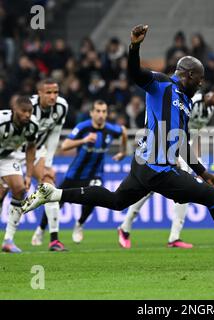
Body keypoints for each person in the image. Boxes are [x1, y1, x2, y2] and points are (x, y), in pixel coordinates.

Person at [21, 24, 214, 266]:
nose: (202, 82)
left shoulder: (187, 102)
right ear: (188, 75)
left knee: (116, 201)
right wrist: (135, 46)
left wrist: (204, 174)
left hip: (145, 164)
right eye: (200, 78)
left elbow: (182, 143)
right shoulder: (161, 83)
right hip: (156, 168)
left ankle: (53, 194)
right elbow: (135, 72)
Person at [118, 82, 214, 249]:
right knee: (149, 189)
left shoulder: (210, 111)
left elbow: (195, 134)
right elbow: (175, 126)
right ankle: (125, 227)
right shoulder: (193, 101)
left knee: (185, 192)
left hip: (185, 152)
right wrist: (174, 155)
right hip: (170, 148)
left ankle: (174, 237)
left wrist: (197, 161)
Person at [31, 100, 127, 245]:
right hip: (75, 175)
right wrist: (84, 140)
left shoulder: (110, 129)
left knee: (96, 197)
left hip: (95, 174)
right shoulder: (83, 127)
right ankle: (41, 229)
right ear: (92, 113)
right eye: (98, 111)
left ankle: (79, 224)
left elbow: (124, 131)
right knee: (55, 200)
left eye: (104, 111)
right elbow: (64, 145)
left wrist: (123, 152)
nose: (101, 115)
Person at [16, 79, 69, 251]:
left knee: (48, 185)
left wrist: (49, 162)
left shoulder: (61, 107)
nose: (53, 96)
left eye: (56, 92)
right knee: (4, 191)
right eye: (48, 92)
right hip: (15, 151)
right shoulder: (28, 108)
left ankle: (54, 240)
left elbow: (55, 135)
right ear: (39, 93)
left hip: (37, 152)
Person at [0, 96, 38, 253]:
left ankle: (8, 240)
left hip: (8, 158)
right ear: (14, 110)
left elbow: (30, 148)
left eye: (30, 111)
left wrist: (28, 175)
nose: (27, 115)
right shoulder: (1, 121)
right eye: (24, 111)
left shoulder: (32, 126)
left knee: (20, 189)